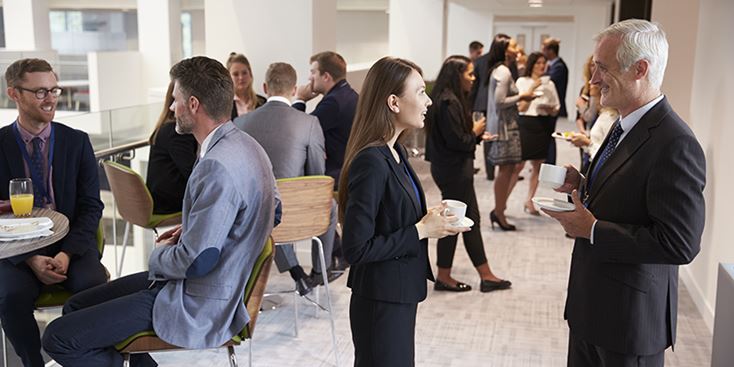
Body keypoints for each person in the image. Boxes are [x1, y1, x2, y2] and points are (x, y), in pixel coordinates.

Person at [42, 56, 280, 367]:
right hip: (210, 284)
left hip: (199, 300)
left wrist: (159, 254)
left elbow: (197, 260)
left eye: (176, 99)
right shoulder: (249, 146)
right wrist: (201, 228)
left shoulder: (215, 165)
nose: (171, 107)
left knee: (57, 337)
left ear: (193, 104)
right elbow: (273, 211)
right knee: (75, 306)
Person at [542, 20, 705, 367]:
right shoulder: (623, 123)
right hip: (591, 308)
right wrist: (583, 184)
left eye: (602, 68)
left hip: (630, 322)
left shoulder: (676, 143)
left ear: (640, 69)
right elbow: (630, 193)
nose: (593, 79)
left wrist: (593, 230)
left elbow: (680, 243)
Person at [339, 56, 467, 366]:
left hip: (398, 290)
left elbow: (394, 215)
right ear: (393, 102)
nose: (428, 101)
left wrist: (429, 219)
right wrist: (423, 230)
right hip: (380, 297)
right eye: (421, 92)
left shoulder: (396, 151)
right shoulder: (371, 161)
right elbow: (355, 248)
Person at [0, 58, 106, 367]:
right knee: (10, 296)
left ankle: (89, 359)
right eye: (40, 92)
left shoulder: (77, 142)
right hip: (16, 252)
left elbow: (91, 207)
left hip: (70, 245)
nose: (50, 99)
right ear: (14, 94)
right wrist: (28, 257)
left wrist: (67, 254)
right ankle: (33, 362)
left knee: (94, 287)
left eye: (54, 90)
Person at [235, 62, 339, 295]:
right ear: (294, 90)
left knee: (271, 202)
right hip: (293, 214)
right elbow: (317, 177)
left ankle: (295, 270)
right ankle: (320, 271)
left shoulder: (240, 123)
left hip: (251, 215)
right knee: (330, 205)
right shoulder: (309, 123)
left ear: (265, 86)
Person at [425, 55, 511, 293]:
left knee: (468, 219)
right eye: (470, 74)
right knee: (456, 221)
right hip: (453, 169)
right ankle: (447, 275)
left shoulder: (446, 100)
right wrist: (474, 133)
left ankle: (485, 274)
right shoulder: (448, 102)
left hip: (451, 167)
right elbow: (458, 141)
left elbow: (453, 138)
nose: (474, 78)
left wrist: (477, 136)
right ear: (457, 75)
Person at [294, 51, 357, 270]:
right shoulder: (348, 94)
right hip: (348, 169)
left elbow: (300, 131)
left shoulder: (333, 103)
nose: (310, 78)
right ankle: (332, 257)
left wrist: (299, 100)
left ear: (326, 77)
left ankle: (328, 261)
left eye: (313, 73)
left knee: (293, 188)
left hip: (337, 175)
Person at [486, 35, 537, 231]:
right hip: (505, 127)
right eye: (514, 46)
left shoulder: (502, 70)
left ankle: (500, 210)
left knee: (507, 169)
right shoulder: (504, 71)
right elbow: (499, 102)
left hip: (505, 126)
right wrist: (522, 96)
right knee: (505, 170)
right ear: (505, 50)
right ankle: (499, 211)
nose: (518, 49)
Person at [516, 52, 560, 215]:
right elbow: (520, 108)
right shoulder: (522, 81)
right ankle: (502, 204)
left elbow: (556, 109)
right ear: (531, 65)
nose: (542, 66)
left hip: (543, 124)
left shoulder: (550, 84)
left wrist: (549, 109)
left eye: (544, 63)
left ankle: (529, 200)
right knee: (517, 166)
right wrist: (533, 87)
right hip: (526, 123)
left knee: (537, 165)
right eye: (538, 63)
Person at [146, 81, 197, 215]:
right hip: (169, 203)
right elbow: (193, 173)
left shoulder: (167, 126)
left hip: (159, 198)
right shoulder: (177, 131)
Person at [542, 37, 569, 165]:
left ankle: (549, 163)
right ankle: (544, 161)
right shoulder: (553, 65)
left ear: (551, 51)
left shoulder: (559, 67)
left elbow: (546, 82)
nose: (542, 52)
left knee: (549, 135)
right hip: (549, 105)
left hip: (553, 106)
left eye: (544, 49)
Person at [227, 52, 266, 120]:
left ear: (250, 74)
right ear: (229, 77)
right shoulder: (224, 105)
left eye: (244, 73)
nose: (241, 77)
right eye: (236, 74)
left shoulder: (263, 102)